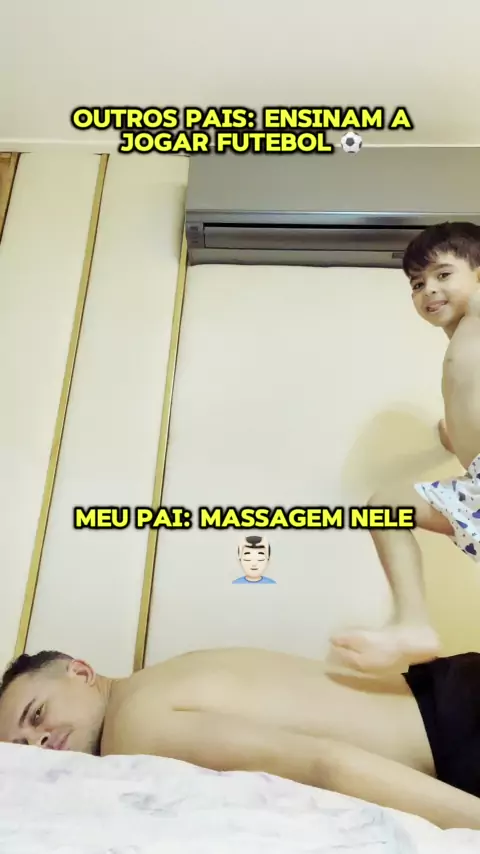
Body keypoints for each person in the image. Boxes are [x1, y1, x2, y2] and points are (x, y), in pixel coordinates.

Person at [1, 645, 480, 830]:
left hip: (456, 731)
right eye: (22, 747)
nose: (39, 742)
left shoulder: (132, 730)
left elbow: (326, 764)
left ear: (81, 671)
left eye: (36, 714)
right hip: (447, 687)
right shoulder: (168, 675)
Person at [331, 221, 480, 673]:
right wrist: (450, 435)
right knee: (386, 506)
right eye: (417, 283)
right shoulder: (460, 346)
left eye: (443, 274)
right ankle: (412, 625)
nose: (427, 289)